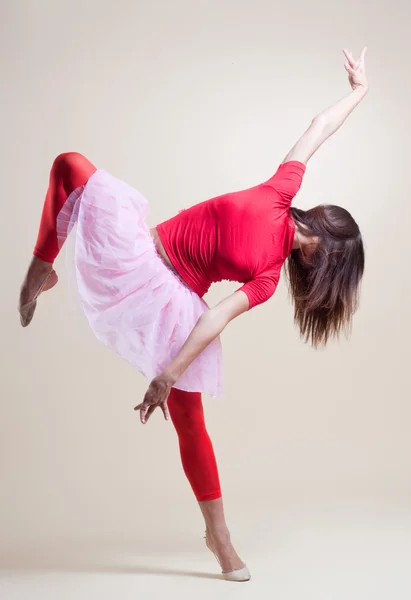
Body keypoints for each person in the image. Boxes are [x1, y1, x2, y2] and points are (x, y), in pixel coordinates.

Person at [18, 47, 368, 581]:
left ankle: (219, 537)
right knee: (70, 166)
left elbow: (215, 318)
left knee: (190, 422)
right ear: (324, 233)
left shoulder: (270, 277)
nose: (327, 265)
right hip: (140, 251)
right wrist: (359, 90)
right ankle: (39, 271)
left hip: (173, 301)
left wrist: (169, 373)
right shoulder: (281, 190)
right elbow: (320, 127)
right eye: (337, 258)